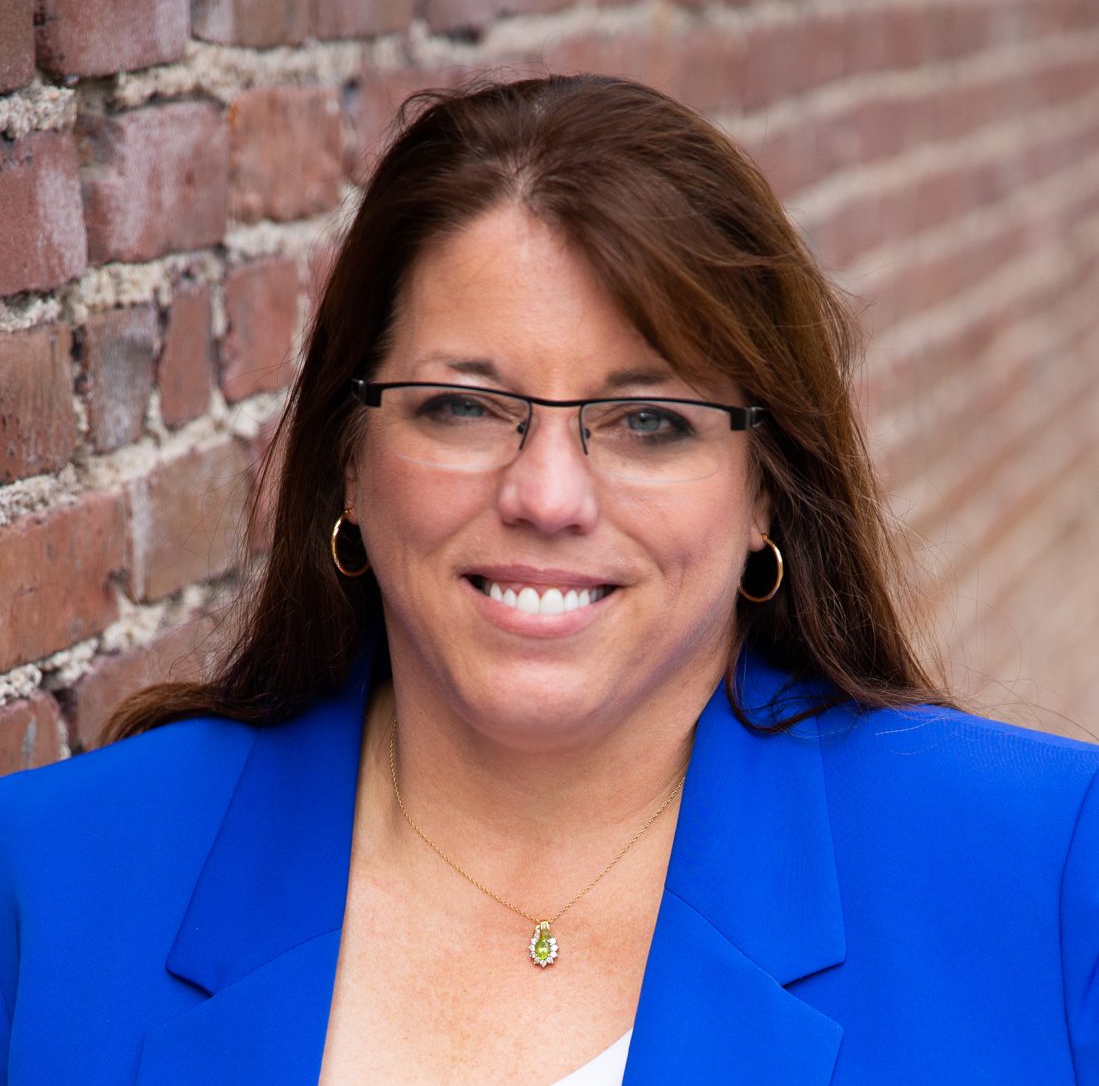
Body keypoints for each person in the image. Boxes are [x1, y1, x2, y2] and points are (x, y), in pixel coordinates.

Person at [0, 73, 1096, 1085]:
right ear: (349, 458)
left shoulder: (1045, 878)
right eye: (463, 406)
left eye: (651, 421)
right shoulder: (46, 885)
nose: (548, 495)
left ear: (766, 491)